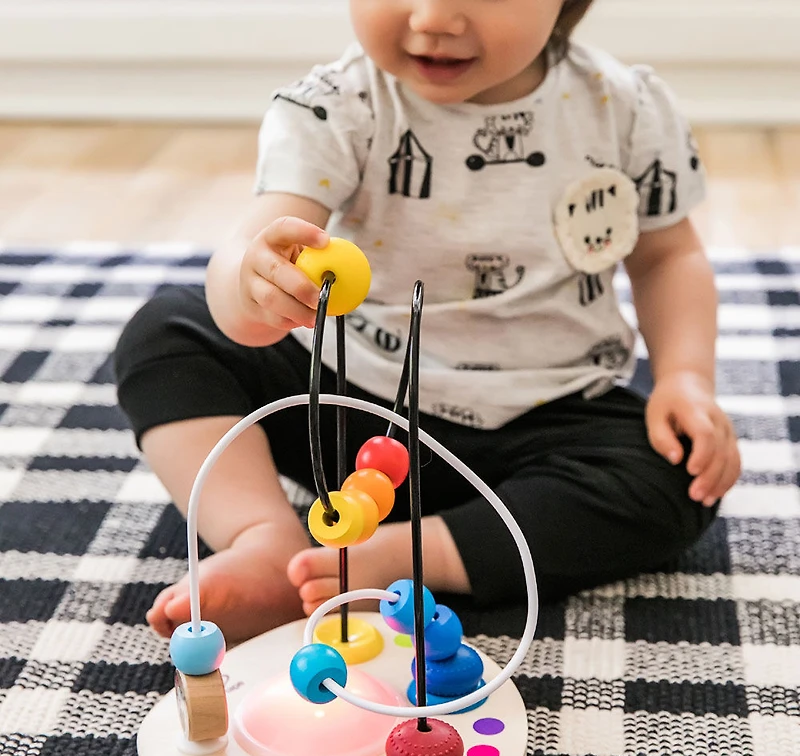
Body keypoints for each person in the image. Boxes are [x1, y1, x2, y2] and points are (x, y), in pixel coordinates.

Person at [114, 0, 741, 643]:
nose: (434, 18)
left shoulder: (624, 107)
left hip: (546, 421)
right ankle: (263, 538)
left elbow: (668, 257)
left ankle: (405, 556)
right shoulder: (338, 107)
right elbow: (251, 253)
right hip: (351, 408)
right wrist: (251, 288)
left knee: (678, 472)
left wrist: (685, 378)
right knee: (169, 332)